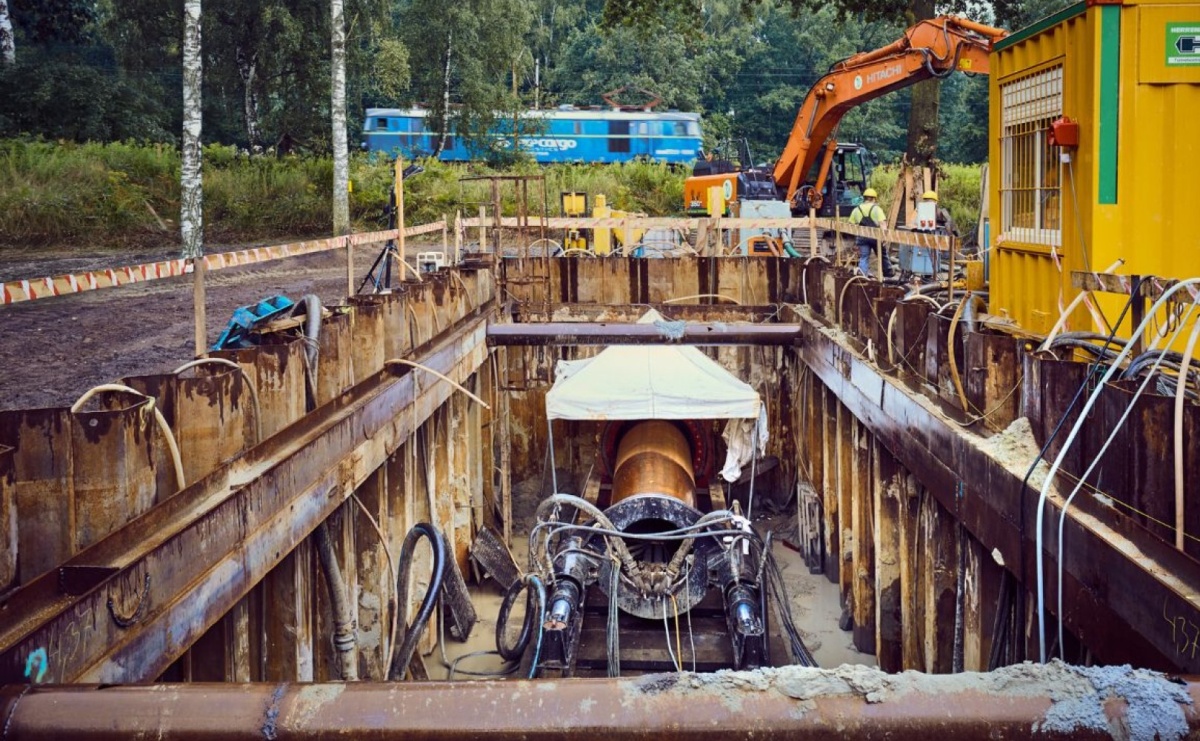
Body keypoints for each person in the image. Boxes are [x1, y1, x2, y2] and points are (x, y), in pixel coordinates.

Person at [849, 188, 893, 277]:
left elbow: (850, 224)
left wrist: (856, 238)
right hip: (875, 237)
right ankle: (888, 274)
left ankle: (862, 276)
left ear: (864, 198)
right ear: (874, 198)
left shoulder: (857, 209)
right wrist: (884, 237)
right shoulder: (877, 209)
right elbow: (882, 223)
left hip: (862, 237)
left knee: (864, 257)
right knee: (882, 255)